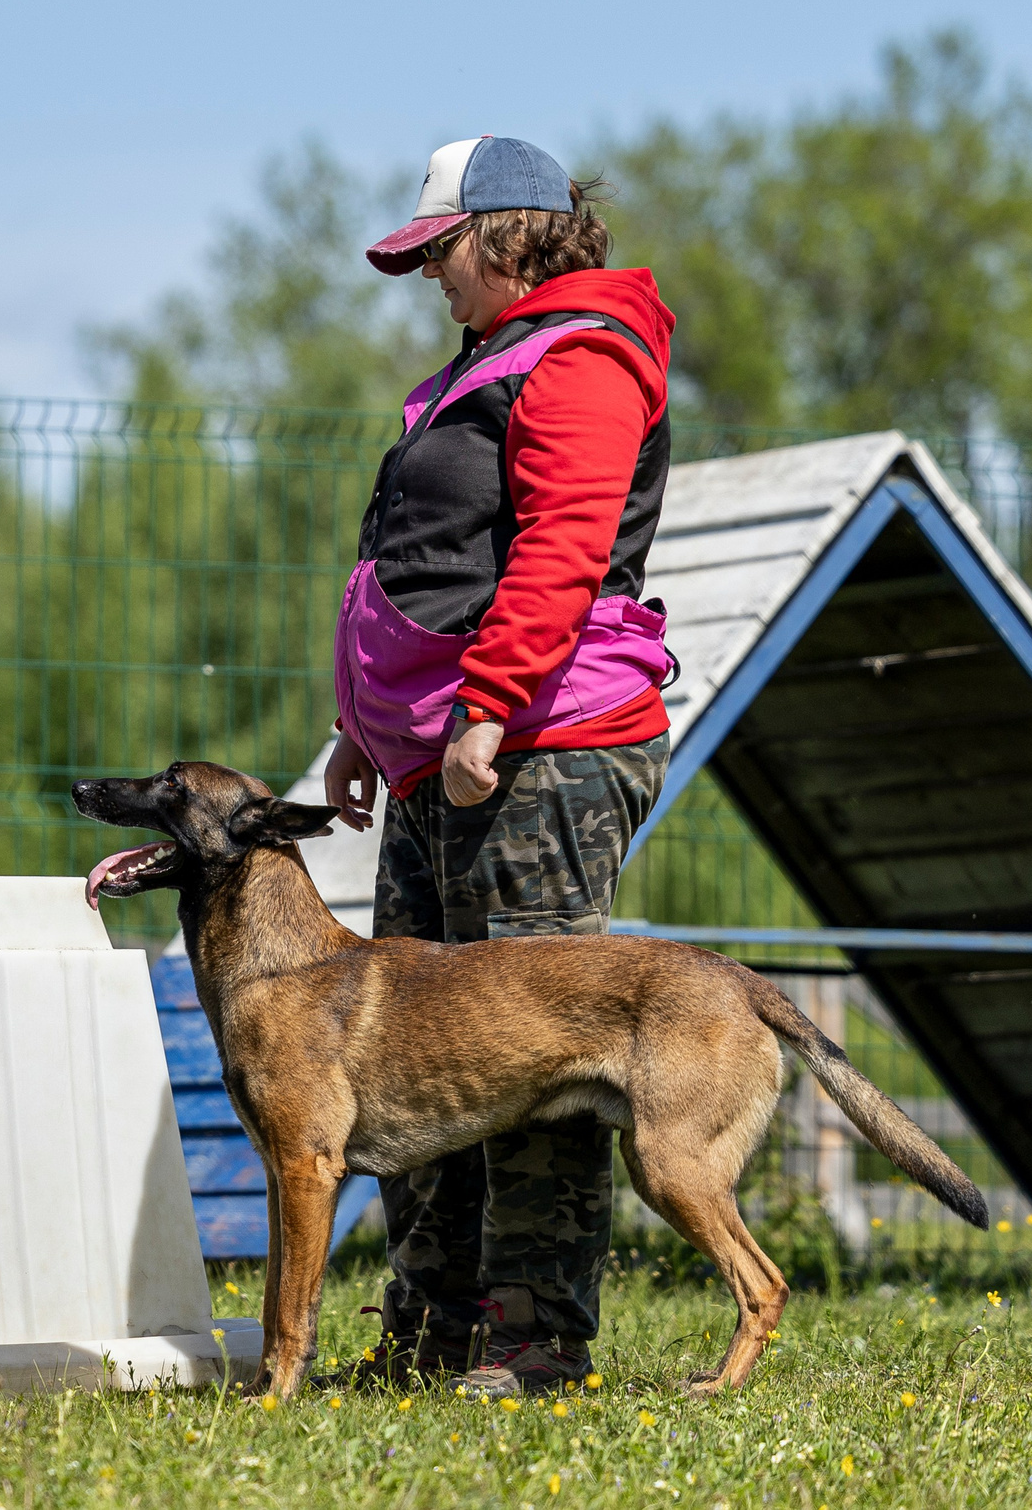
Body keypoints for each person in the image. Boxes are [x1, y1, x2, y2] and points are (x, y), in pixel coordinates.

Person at [324, 135, 676, 1395]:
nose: (431, 280)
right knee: (412, 1057)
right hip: (444, 751)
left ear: (503, 235)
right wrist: (363, 731)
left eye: (438, 255)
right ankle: (431, 1330)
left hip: (537, 746)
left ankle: (532, 1342)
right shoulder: (480, 365)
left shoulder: (581, 355)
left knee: (535, 1062)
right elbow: (419, 562)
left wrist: (485, 708)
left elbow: (562, 548)